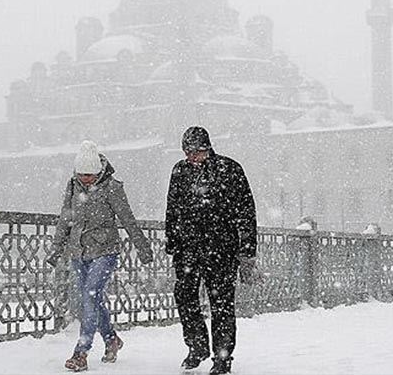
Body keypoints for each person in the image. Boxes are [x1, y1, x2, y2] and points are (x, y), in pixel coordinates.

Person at [47, 140, 153, 372]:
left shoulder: (112, 187)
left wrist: (143, 247)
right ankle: (111, 339)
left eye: (90, 175)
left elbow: (127, 219)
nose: (85, 179)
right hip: (78, 251)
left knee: (90, 295)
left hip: (105, 251)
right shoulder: (73, 186)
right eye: (81, 174)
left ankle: (81, 352)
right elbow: (66, 218)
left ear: (99, 171)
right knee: (92, 300)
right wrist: (56, 249)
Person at [165, 126, 258, 375]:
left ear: (207, 148)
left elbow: (246, 211)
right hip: (188, 249)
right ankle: (197, 346)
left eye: (197, 151)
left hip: (222, 249)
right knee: (185, 297)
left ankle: (222, 356)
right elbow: (173, 208)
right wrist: (172, 241)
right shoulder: (180, 171)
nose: (192, 157)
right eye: (188, 152)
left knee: (222, 304)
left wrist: (247, 249)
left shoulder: (229, 169)